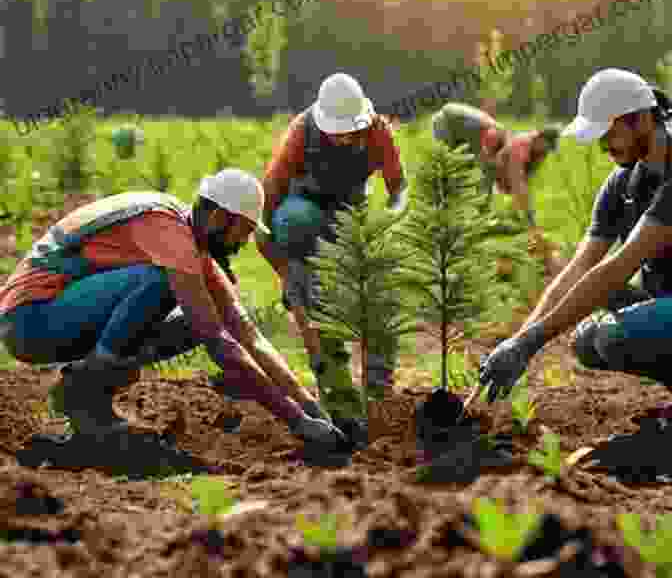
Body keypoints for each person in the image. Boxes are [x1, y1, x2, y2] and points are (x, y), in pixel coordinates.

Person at [0, 168, 345, 450]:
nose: (244, 243)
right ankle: (87, 390)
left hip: (61, 316)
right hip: (30, 319)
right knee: (163, 286)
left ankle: (90, 398)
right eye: (244, 230)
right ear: (220, 218)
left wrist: (310, 407)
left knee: (190, 322)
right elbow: (218, 341)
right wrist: (296, 422)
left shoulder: (192, 245)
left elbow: (246, 334)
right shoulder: (167, 229)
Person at [478, 68, 672, 405]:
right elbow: (579, 269)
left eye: (609, 133)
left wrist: (528, 344)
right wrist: (518, 340)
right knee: (588, 339)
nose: (603, 147)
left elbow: (620, 266)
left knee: (613, 335)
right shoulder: (623, 183)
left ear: (640, 119)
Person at [255, 73, 409, 446]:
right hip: (302, 219)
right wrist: (288, 274)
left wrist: (390, 215)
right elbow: (263, 218)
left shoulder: (377, 132)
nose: (342, 138)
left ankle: (377, 398)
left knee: (380, 298)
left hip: (350, 216)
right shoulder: (300, 133)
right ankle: (340, 408)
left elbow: (399, 188)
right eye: (335, 132)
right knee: (297, 229)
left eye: (348, 131)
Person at [431, 101, 561, 225]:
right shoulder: (520, 145)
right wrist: (529, 217)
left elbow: (520, 184)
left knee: (480, 173)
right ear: (540, 138)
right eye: (547, 146)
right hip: (449, 121)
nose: (547, 151)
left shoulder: (527, 150)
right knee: (451, 171)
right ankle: (452, 215)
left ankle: (474, 217)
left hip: (467, 134)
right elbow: (517, 182)